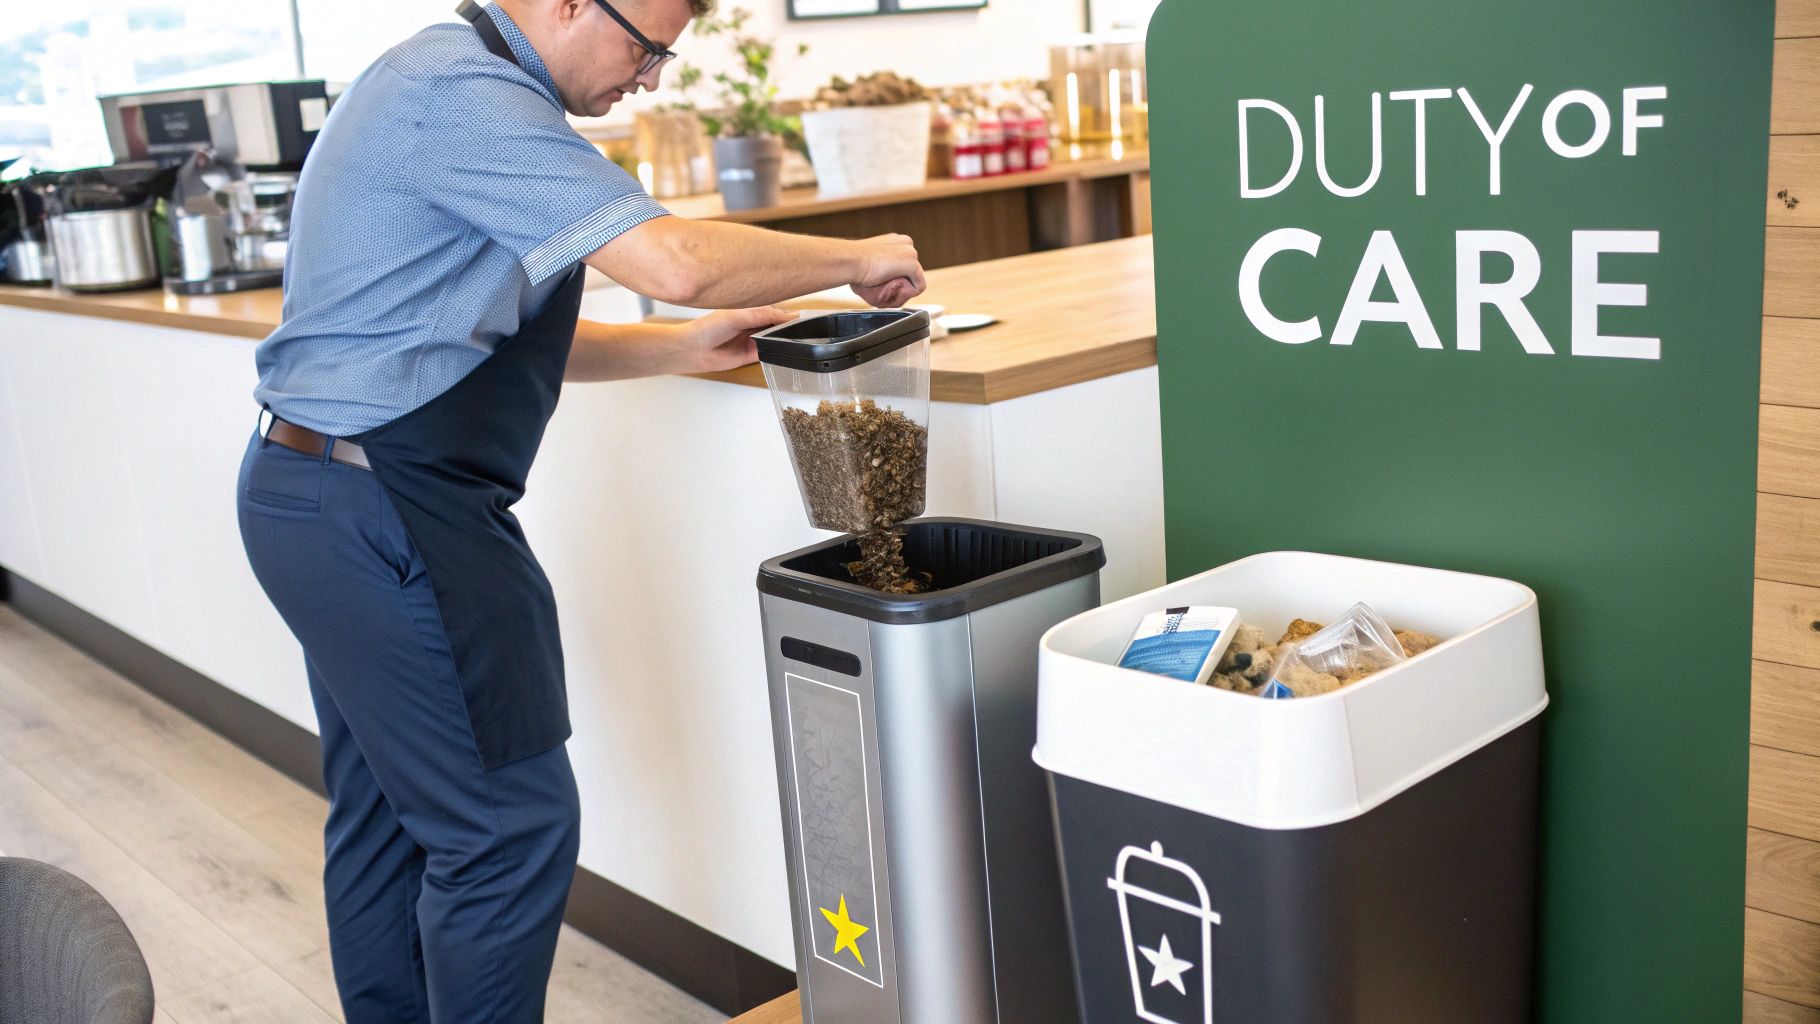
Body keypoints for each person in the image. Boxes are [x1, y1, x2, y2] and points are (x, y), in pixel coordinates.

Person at [235, 0, 926, 1019]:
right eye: (647, 47)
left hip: (315, 491)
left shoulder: (440, 80)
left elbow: (461, 331)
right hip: (389, 506)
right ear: (568, 3)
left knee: (389, 820)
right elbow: (676, 263)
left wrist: (673, 351)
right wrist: (856, 255)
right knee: (506, 832)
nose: (650, 77)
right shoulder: (464, 94)